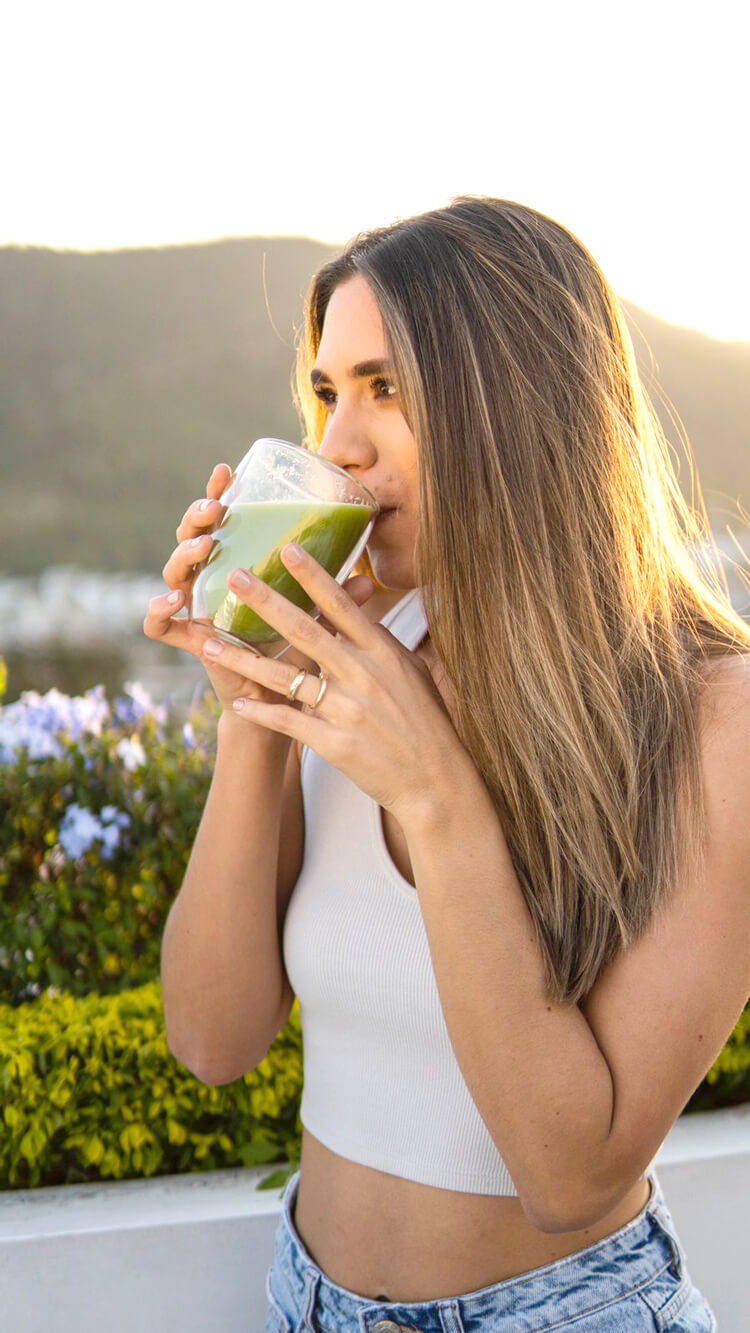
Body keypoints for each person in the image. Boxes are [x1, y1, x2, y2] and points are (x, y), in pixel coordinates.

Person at [144, 197, 750, 1331]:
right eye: (329, 392)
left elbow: (572, 1178)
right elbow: (212, 1041)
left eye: (388, 388)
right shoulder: (357, 650)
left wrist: (437, 796)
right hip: (303, 1301)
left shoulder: (715, 718)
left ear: (519, 401)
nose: (340, 444)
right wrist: (251, 709)